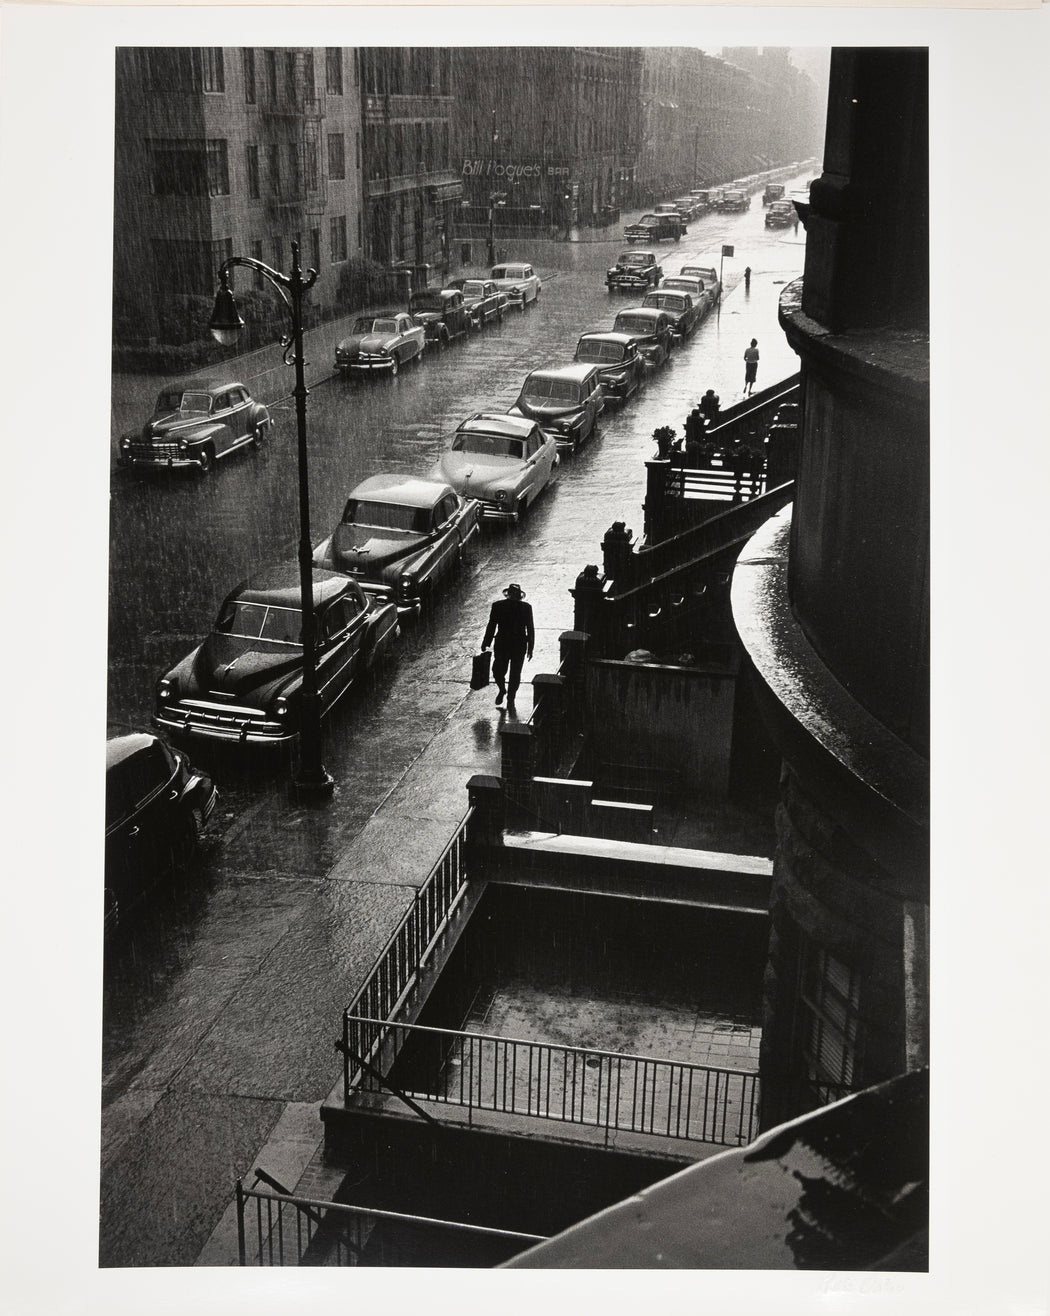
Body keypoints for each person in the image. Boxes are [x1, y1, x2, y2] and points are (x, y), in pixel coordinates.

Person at [481, 583, 534, 710]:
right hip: (516, 644)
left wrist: (486, 642)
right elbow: (492, 625)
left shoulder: (499, 606)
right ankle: (506, 692)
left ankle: (509, 696)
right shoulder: (524, 608)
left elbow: (492, 626)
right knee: (505, 672)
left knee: (504, 672)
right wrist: (530, 647)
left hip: (505, 644)